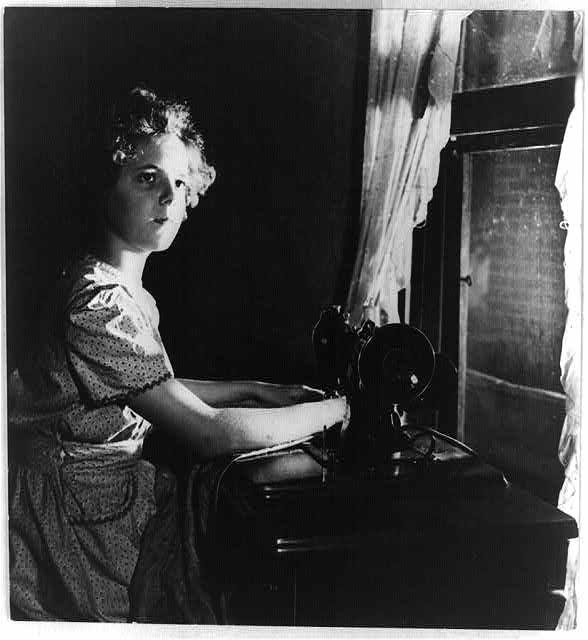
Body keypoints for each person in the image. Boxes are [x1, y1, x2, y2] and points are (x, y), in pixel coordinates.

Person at [7, 86, 349, 623]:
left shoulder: (129, 294)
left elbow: (148, 392)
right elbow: (208, 431)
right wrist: (337, 411)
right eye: (148, 178)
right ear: (105, 181)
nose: (169, 197)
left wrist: (258, 390)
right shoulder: (97, 303)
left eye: (179, 184)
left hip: (95, 492)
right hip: (69, 518)